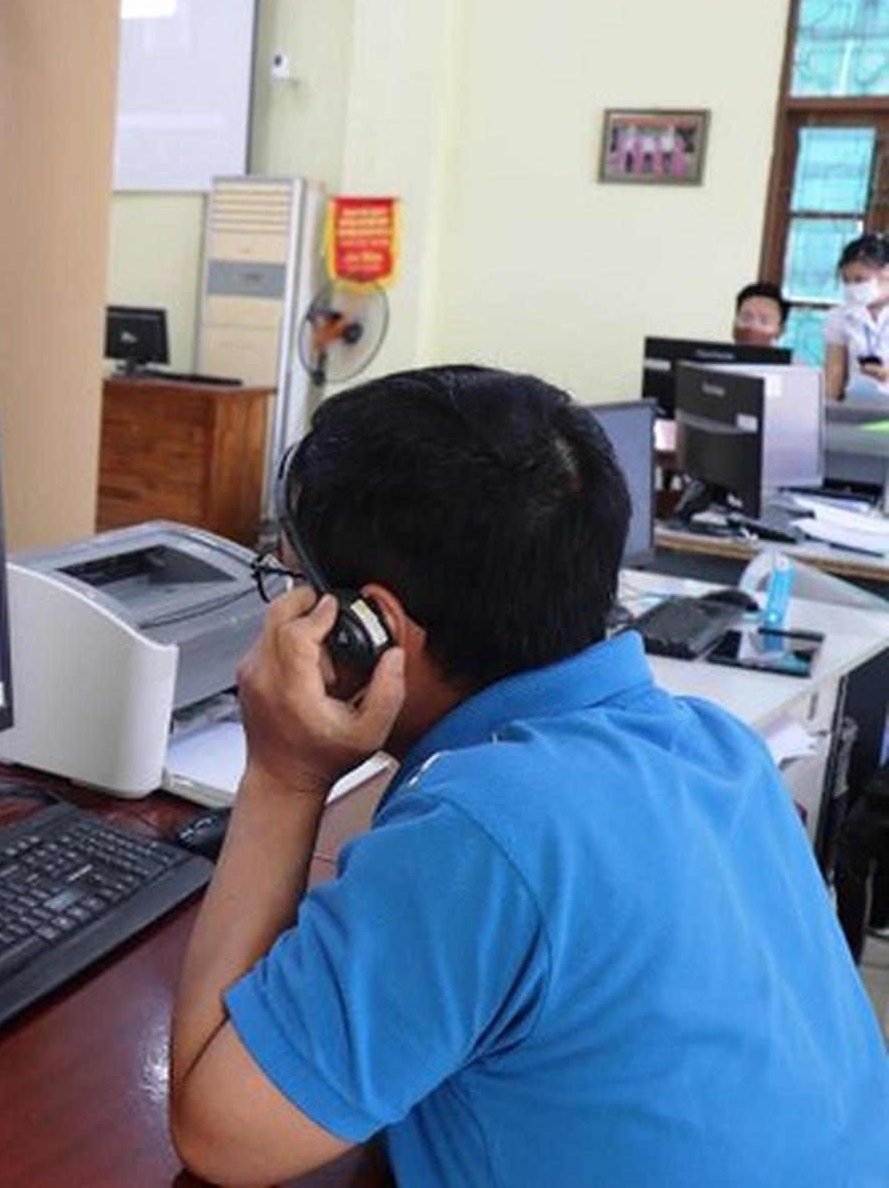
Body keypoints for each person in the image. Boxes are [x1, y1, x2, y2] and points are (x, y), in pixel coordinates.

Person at [168, 365, 887, 1188]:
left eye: (296, 584)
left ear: (372, 630)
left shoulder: (486, 832)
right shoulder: (718, 749)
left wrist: (285, 775)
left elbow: (218, 1131)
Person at [826, 232, 889, 401]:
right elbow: (834, 373)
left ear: (886, 272)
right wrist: (826, 412)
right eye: (847, 281)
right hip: (855, 408)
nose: (853, 287)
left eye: (860, 280)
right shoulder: (840, 316)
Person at [729, 279, 818, 365]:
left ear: (781, 330)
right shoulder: (717, 358)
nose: (753, 326)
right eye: (746, 318)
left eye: (764, 321)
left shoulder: (793, 368)